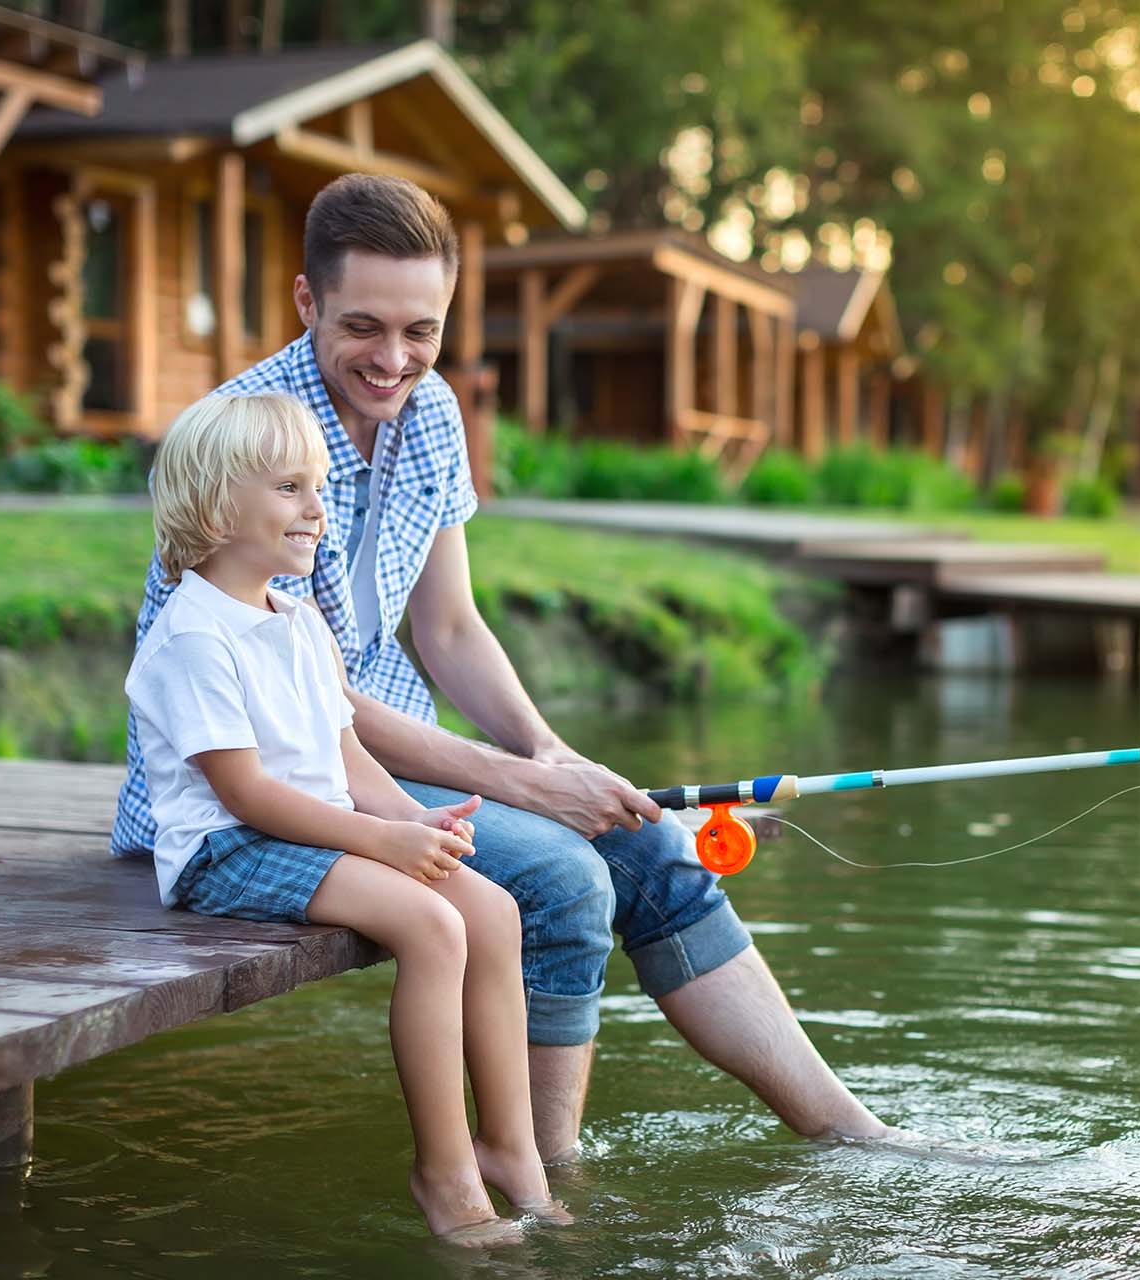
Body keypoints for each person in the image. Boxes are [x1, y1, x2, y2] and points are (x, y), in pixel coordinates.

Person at [113, 172, 892, 1160]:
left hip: (378, 760)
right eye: (364, 327)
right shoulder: (245, 443)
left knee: (646, 846)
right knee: (568, 875)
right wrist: (522, 782)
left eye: (422, 330)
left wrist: (564, 761)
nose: (394, 360)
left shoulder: (432, 411)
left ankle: (845, 1127)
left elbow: (450, 627)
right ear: (307, 301)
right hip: (271, 781)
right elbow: (316, 702)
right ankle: (539, 1166)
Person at [126, 391, 560, 1242]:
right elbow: (245, 794)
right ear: (217, 504)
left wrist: (417, 826)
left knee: (492, 909)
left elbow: (347, 758)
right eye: (291, 487)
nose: (318, 509)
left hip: (311, 826)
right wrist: (382, 843)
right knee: (433, 927)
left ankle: (511, 1149)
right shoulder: (193, 638)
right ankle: (444, 1177)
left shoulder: (297, 619)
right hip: (228, 848)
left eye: (318, 486)